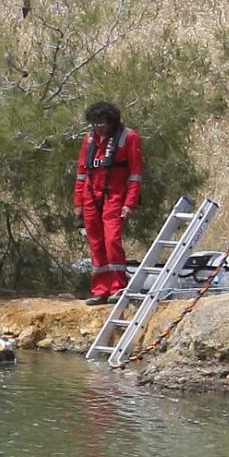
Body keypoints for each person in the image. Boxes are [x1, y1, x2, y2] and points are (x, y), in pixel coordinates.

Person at [74, 101, 143, 306]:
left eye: (102, 123)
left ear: (112, 122)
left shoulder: (129, 138)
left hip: (115, 197)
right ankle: (100, 289)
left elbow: (135, 175)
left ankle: (118, 287)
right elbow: (81, 173)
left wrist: (129, 203)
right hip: (90, 197)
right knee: (96, 243)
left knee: (112, 241)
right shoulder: (89, 140)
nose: (98, 127)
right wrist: (78, 203)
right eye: (95, 124)